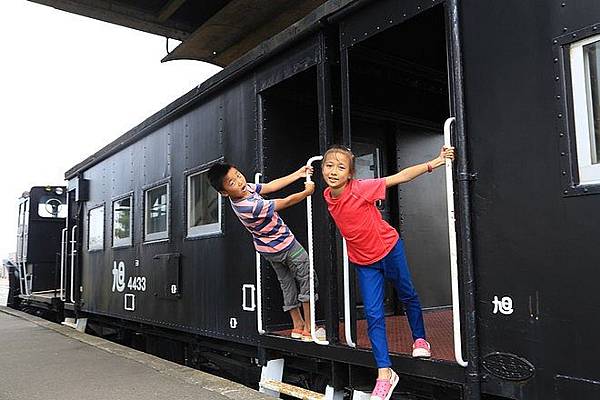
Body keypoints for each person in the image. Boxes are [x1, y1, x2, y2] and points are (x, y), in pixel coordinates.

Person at [320, 144, 455, 400]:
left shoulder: (360, 188)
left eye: (340, 167)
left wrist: (433, 163)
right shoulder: (327, 194)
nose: (333, 171)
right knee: (373, 314)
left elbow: (399, 177)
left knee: (408, 294)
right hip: (364, 262)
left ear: (350, 174)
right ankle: (385, 373)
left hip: (389, 249)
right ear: (322, 169)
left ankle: (420, 340)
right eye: (329, 166)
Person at [207, 162, 323, 341]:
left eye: (238, 175)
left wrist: (298, 173)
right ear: (224, 193)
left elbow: (270, 186)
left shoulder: (244, 191)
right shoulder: (247, 206)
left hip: (267, 250)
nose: (239, 181)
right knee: (306, 277)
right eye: (231, 183)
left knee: (287, 283)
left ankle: (297, 326)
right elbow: (285, 202)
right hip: (285, 245)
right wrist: (306, 193)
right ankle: (310, 327)